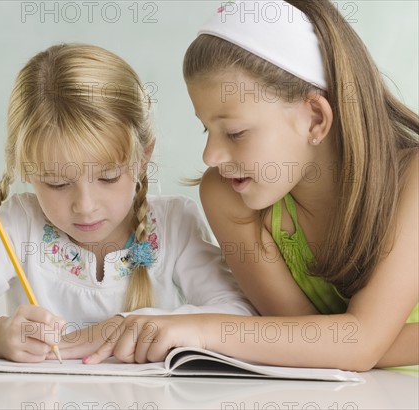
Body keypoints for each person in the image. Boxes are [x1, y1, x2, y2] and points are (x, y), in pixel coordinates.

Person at [86, 0, 418, 370]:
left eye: (235, 132)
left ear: (315, 119)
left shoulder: (413, 180)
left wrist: (200, 330)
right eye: (206, 129)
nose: (210, 155)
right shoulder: (229, 196)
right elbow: (304, 339)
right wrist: (362, 343)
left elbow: (349, 346)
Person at [0, 43, 256, 362]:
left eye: (108, 178)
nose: (85, 206)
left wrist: (126, 325)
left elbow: (239, 316)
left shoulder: (176, 224)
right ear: (26, 169)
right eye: (57, 183)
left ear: (143, 157)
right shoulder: (19, 223)